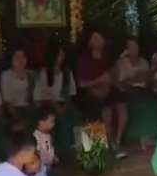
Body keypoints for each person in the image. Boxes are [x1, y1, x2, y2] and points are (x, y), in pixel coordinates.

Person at [77, 30, 127, 158]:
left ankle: (117, 140)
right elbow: (82, 84)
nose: (98, 40)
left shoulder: (108, 57)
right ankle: (109, 144)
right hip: (92, 92)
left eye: (100, 37)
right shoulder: (84, 59)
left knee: (121, 107)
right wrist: (98, 81)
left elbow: (113, 76)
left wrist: (112, 82)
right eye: (94, 38)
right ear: (89, 42)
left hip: (109, 89)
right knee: (107, 113)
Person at [34, 43, 77, 107]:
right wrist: (55, 105)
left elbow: (71, 93)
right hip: (48, 105)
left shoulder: (67, 72)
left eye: (63, 54)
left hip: (64, 104)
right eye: (59, 54)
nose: (62, 56)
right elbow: (41, 95)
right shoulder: (44, 72)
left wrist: (65, 106)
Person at [1, 47, 34, 119]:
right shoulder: (6, 75)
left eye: (23, 56)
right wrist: (17, 118)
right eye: (17, 57)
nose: (20, 59)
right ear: (12, 60)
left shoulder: (31, 74)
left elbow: (35, 98)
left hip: (27, 108)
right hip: (12, 110)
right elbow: (7, 101)